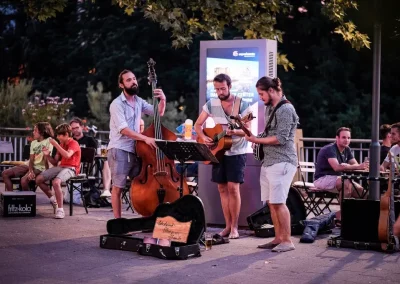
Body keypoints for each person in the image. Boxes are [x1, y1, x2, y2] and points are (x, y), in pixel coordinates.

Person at [244, 77, 298, 252]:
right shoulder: (270, 108)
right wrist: (249, 135)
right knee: (271, 203)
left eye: (261, 93)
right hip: (269, 161)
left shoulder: (286, 109)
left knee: (279, 202)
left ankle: (287, 241)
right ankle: (277, 238)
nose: (260, 97)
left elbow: (281, 138)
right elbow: (268, 133)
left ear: (272, 90)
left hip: (282, 161)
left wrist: (257, 139)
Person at [194, 73, 251, 239]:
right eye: (217, 89)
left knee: (233, 188)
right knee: (222, 188)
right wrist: (204, 137)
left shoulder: (242, 104)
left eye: (223, 88)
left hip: (237, 152)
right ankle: (226, 226)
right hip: (218, 152)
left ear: (230, 86)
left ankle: (234, 228)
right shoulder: (211, 104)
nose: (220, 92)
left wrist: (234, 131)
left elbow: (247, 130)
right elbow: (198, 125)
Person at [108, 69, 166, 218]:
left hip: (135, 149)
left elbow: (158, 113)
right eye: (128, 80)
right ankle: (118, 221)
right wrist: (145, 138)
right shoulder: (116, 104)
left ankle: (146, 215)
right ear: (121, 85)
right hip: (119, 149)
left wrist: (163, 100)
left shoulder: (139, 101)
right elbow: (123, 129)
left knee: (142, 183)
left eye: (134, 79)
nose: (133, 81)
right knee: (118, 187)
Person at [314, 127, 368, 221]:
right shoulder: (330, 149)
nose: (346, 140)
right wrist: (356, 166)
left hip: (339, 179)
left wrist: (362, 166)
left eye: (348, 138)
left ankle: (359, 217)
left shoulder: (347, 150)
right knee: (346, 183)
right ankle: (343, 218)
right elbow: (337, 167)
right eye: (343, 137)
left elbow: (355, 165)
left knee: (362, 192)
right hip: (322, 179)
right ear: (337, 138)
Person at [35, 123, 81, 219]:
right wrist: (47, 155)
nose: (57, 137)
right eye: (57, 135)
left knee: (56, 182)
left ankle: (60, 210)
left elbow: (67, 155)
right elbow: (55, 162)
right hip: (61, 167)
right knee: (38, 179)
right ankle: (53, 200)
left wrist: (56, 145)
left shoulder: (74, 143)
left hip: (72, 168)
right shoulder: (61, 144)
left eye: (60, 135)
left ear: (67, 135)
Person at [2, 122, 54, 191]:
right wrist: (30, 170)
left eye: (35, 130)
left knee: (24, 181)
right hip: (30, 165)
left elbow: (46, 159)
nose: (33, 132)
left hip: (41, 168)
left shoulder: (49, 141)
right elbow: (31, 159)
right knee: (5, 173)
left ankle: (28, 199)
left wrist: (46, 172)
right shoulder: (33, 143)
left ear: (42, 132)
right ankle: (10, 197)